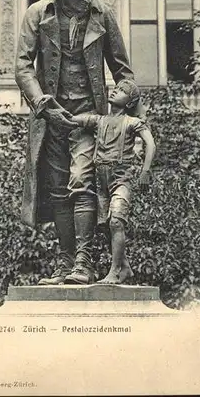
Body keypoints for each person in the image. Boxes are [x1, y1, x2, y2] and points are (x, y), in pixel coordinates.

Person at [15, 0, 144, 285]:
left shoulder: (102, 16)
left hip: (89, 117)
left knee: (82, 182)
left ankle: (84, 263)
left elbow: (124, 73)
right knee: (58, 190)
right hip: (52, 116)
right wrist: (42, 102)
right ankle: (65, 264)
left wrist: (124, 97)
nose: (89, 0)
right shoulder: (37, 14)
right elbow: (22, 66)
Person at [70, 79, 156, 284]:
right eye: (116, 88)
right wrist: (51, 111)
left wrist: (145, 171)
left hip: (121, 180)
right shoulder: (99, 120)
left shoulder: (131, 122)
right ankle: (125, 267)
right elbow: (72, 120)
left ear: (129, 103)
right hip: (102, 182)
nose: (115, 91)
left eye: (123, 91)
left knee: (117, 221)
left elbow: (150, 143)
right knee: (106, 225)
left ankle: (115, 271)